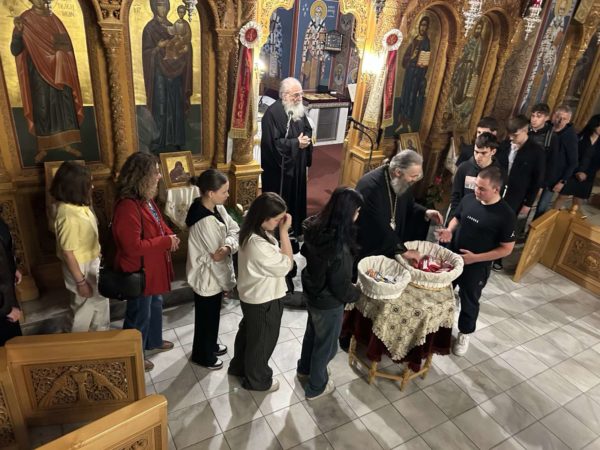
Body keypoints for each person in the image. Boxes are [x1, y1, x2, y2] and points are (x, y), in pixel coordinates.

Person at [438, 166, 516, 356]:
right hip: (453, 258)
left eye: (482, 189)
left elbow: (507, 248)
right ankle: (438, 327)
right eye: (476, 186)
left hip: (476, 267)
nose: (476, 191)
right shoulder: (469, 199)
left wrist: (475, 258)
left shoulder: (506, 215)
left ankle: (464, 333)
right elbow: (457, 218)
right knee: (442, 293)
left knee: (469, 301)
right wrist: (449, 230)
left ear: (496, 189)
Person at [112, 153, 180, 372]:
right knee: (139, 314)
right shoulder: (127, 206)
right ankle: (133, 356)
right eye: (156, 172)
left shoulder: (145, 199)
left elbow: (159, 223)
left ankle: (153, 340)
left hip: (152, 267)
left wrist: (170, 235)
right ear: (142, 176)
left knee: (155, 305)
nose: (160, 176)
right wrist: (165, 242)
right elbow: (132, 247)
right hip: (139, 270)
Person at [297, 188, 362, 401]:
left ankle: (304, 369)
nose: (358, 215)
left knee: (312, 334)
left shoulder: (314, 227)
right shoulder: (339, 247)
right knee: (326, 346)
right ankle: (316, 386)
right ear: (348, 212)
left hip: (312, 293)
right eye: (357, 211)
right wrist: (357, 293)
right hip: (328, 302)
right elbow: (340, 286)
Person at [228, 193, 294, 392]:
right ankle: (257, 380)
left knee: (249, 334)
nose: (279, 222)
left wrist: (278, 226)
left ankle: (239, 367)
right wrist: (284, 232)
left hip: (253, 295)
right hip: (264, 299)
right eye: (277, 219)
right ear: (264, 218)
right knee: (262, 341)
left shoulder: (251, 229)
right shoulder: (257, 244)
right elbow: (287, 265)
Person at [11, 0, 84, 162]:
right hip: (38, 74)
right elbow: (15, 50)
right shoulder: (24, 20)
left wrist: (59, 55)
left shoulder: (55, 20)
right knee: (42, 108)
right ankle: (43, 148)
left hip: (59, 72)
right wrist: (18, 33)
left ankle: (67, 144)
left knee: (64, 107)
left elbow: (65, 46)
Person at [186, 169, 239, 370]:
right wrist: (228, 283)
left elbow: (235, 229)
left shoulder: (217, 208)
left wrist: (228, 246)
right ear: (210, 193)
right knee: (206, 318)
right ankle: (202, 355)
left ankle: (210, 345)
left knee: (212, 315)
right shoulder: (204, 220)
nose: (227, 195)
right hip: (207, 277)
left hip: (214, 276)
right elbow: (217, 257)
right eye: (224, 191)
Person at [50, 162, 109, 333]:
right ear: (75, 187)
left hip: (91, 262)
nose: (92, 186)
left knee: (99, 304)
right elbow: (68, 253)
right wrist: (81, 282)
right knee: (83, 310)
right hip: (80, 267)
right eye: (88, 183)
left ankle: (102, 338)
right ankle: (80, 344)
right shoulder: (67, 215)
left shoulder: (78, 206)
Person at [355, 150, 443, 262]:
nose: (415, 180)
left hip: (390, 243)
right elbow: (377, 226)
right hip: (370, 248)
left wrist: (425, 212)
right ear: (398, 172)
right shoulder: (370, 187)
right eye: (413, 176)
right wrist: (403, 251)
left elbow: (409, 205)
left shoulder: (401, 182)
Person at [260, 77, 313, 238]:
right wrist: (296, 143)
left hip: (297, 165)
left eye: (300, 94)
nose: (299, 98)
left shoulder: (298, 109)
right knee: (281, 200)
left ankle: (296, 228)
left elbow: (307, 128)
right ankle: (277, 232)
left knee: (297, 197)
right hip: (280, 170)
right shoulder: (272, 114)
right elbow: (272, 144)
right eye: (295, 95)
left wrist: (306, 139)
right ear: (284, 95)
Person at [493, 115, 544, 271]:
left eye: (515, 135)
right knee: (492, 220)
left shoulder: (536, 151)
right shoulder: (504, 146)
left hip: (516, 196)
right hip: (497, 191)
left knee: (507, 225)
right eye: (510, 134)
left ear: (525, 130)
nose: (511, 138)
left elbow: (537, 181)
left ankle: (498, 257)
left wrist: (528, 203)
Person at [142, 0, 193, 153]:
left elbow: (183, 44)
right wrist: (158, 47)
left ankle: (176, 140)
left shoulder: (174, 27)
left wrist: (186, 49)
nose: (162, 9)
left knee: (175, 105)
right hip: (158, 74)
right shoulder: (149, 29)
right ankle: (159, 142)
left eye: (164, 5)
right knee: (161, 105)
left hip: (175, 73)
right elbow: (146, 53)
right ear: (153, 7)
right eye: (159, 5)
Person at [449, 132, 502, 220]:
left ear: (493, 151)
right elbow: (455, 196)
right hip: (461, 216)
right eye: (476, 152)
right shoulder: (464, 168)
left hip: (483, 219)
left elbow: (498, 202)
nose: (478, 157)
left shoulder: (499, 174)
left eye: (483, 153)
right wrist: (455, 217)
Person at [555, 114, 600, 209]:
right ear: (595, 125)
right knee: (562, 197)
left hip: (588, 176)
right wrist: (577, 172)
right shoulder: (580, 137)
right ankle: (552, 217)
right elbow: (573, 156)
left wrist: (586, 173)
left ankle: (571, 218)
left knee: (577, 202)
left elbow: (597, 164)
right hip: (573, 172)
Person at [397, 16, 431, 133]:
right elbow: (405, 59)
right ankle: (401, 121)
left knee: (412, 98)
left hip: (417, 75)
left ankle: (408, 122)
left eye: (425, 25)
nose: (423, 28)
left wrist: (420, 66)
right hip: (409, 74)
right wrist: (411, 58)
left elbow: (425, 61)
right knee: (405, 95)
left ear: (427, 28)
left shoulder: (426, 42)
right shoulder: (414, 40)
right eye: (422, 25)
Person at [529, 103, 560, 219]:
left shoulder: (551, 137)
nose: (534, 119)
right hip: (521, 174)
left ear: (546, 118)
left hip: (537, 177)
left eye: (539, 116)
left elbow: (551, 163)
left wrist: (542, 185)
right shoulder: (525, 130)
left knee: (527, 208)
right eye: (533, 115)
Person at [549, 105, 579, 208]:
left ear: (568, 120)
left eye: (564, 119)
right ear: (554, 115)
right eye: (558, 117)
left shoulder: (570, 136)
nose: (560, 121)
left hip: (554, 177)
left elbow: (573, 162)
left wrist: (563, 181)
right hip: (540, 170)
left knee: (542, 205)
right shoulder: (547, 127)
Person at [0, 216, 23, 346]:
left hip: (6, 296)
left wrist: (12, 269)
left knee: (14, 344)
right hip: (2, 306)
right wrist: (6, 309)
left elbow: (5, 249)